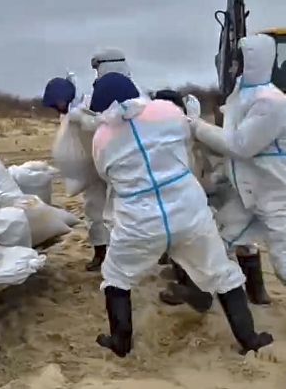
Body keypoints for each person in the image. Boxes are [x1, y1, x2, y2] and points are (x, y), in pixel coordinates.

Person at [90, 73, 273, 358]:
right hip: (187, 211)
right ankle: (250, 339)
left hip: (140, 221)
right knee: (221, 272)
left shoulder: (101, 138)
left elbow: (105, 173)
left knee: (116, 276)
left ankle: (120, 342)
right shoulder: (167, 112)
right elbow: (189, 137)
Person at [189, 33, 286, 338]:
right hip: (250, 191)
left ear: (253, 62)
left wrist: (196, 127)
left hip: (283, 195)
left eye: (239, 60)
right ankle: (223, 294)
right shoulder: (242, 98)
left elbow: (240, 145)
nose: (234, 66)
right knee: (221, 238)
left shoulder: (273, 104)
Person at [150, 90, 271, 311]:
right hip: (209, 192)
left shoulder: (195, 131)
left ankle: (249, 291)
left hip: (219, 191)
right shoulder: (173, 133)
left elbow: (223, 157)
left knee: (192, 239)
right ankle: (253, 292)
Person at [42, 75, 110, 271]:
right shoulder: (67, 112)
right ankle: (100, 252)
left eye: (58, 102)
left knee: (114, 212)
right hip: (88, 170)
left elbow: (100, 124)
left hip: (103, 163)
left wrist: (81, 117)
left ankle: (114, 253)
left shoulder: (88, 104)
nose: (57, 107)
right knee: (93, 211)